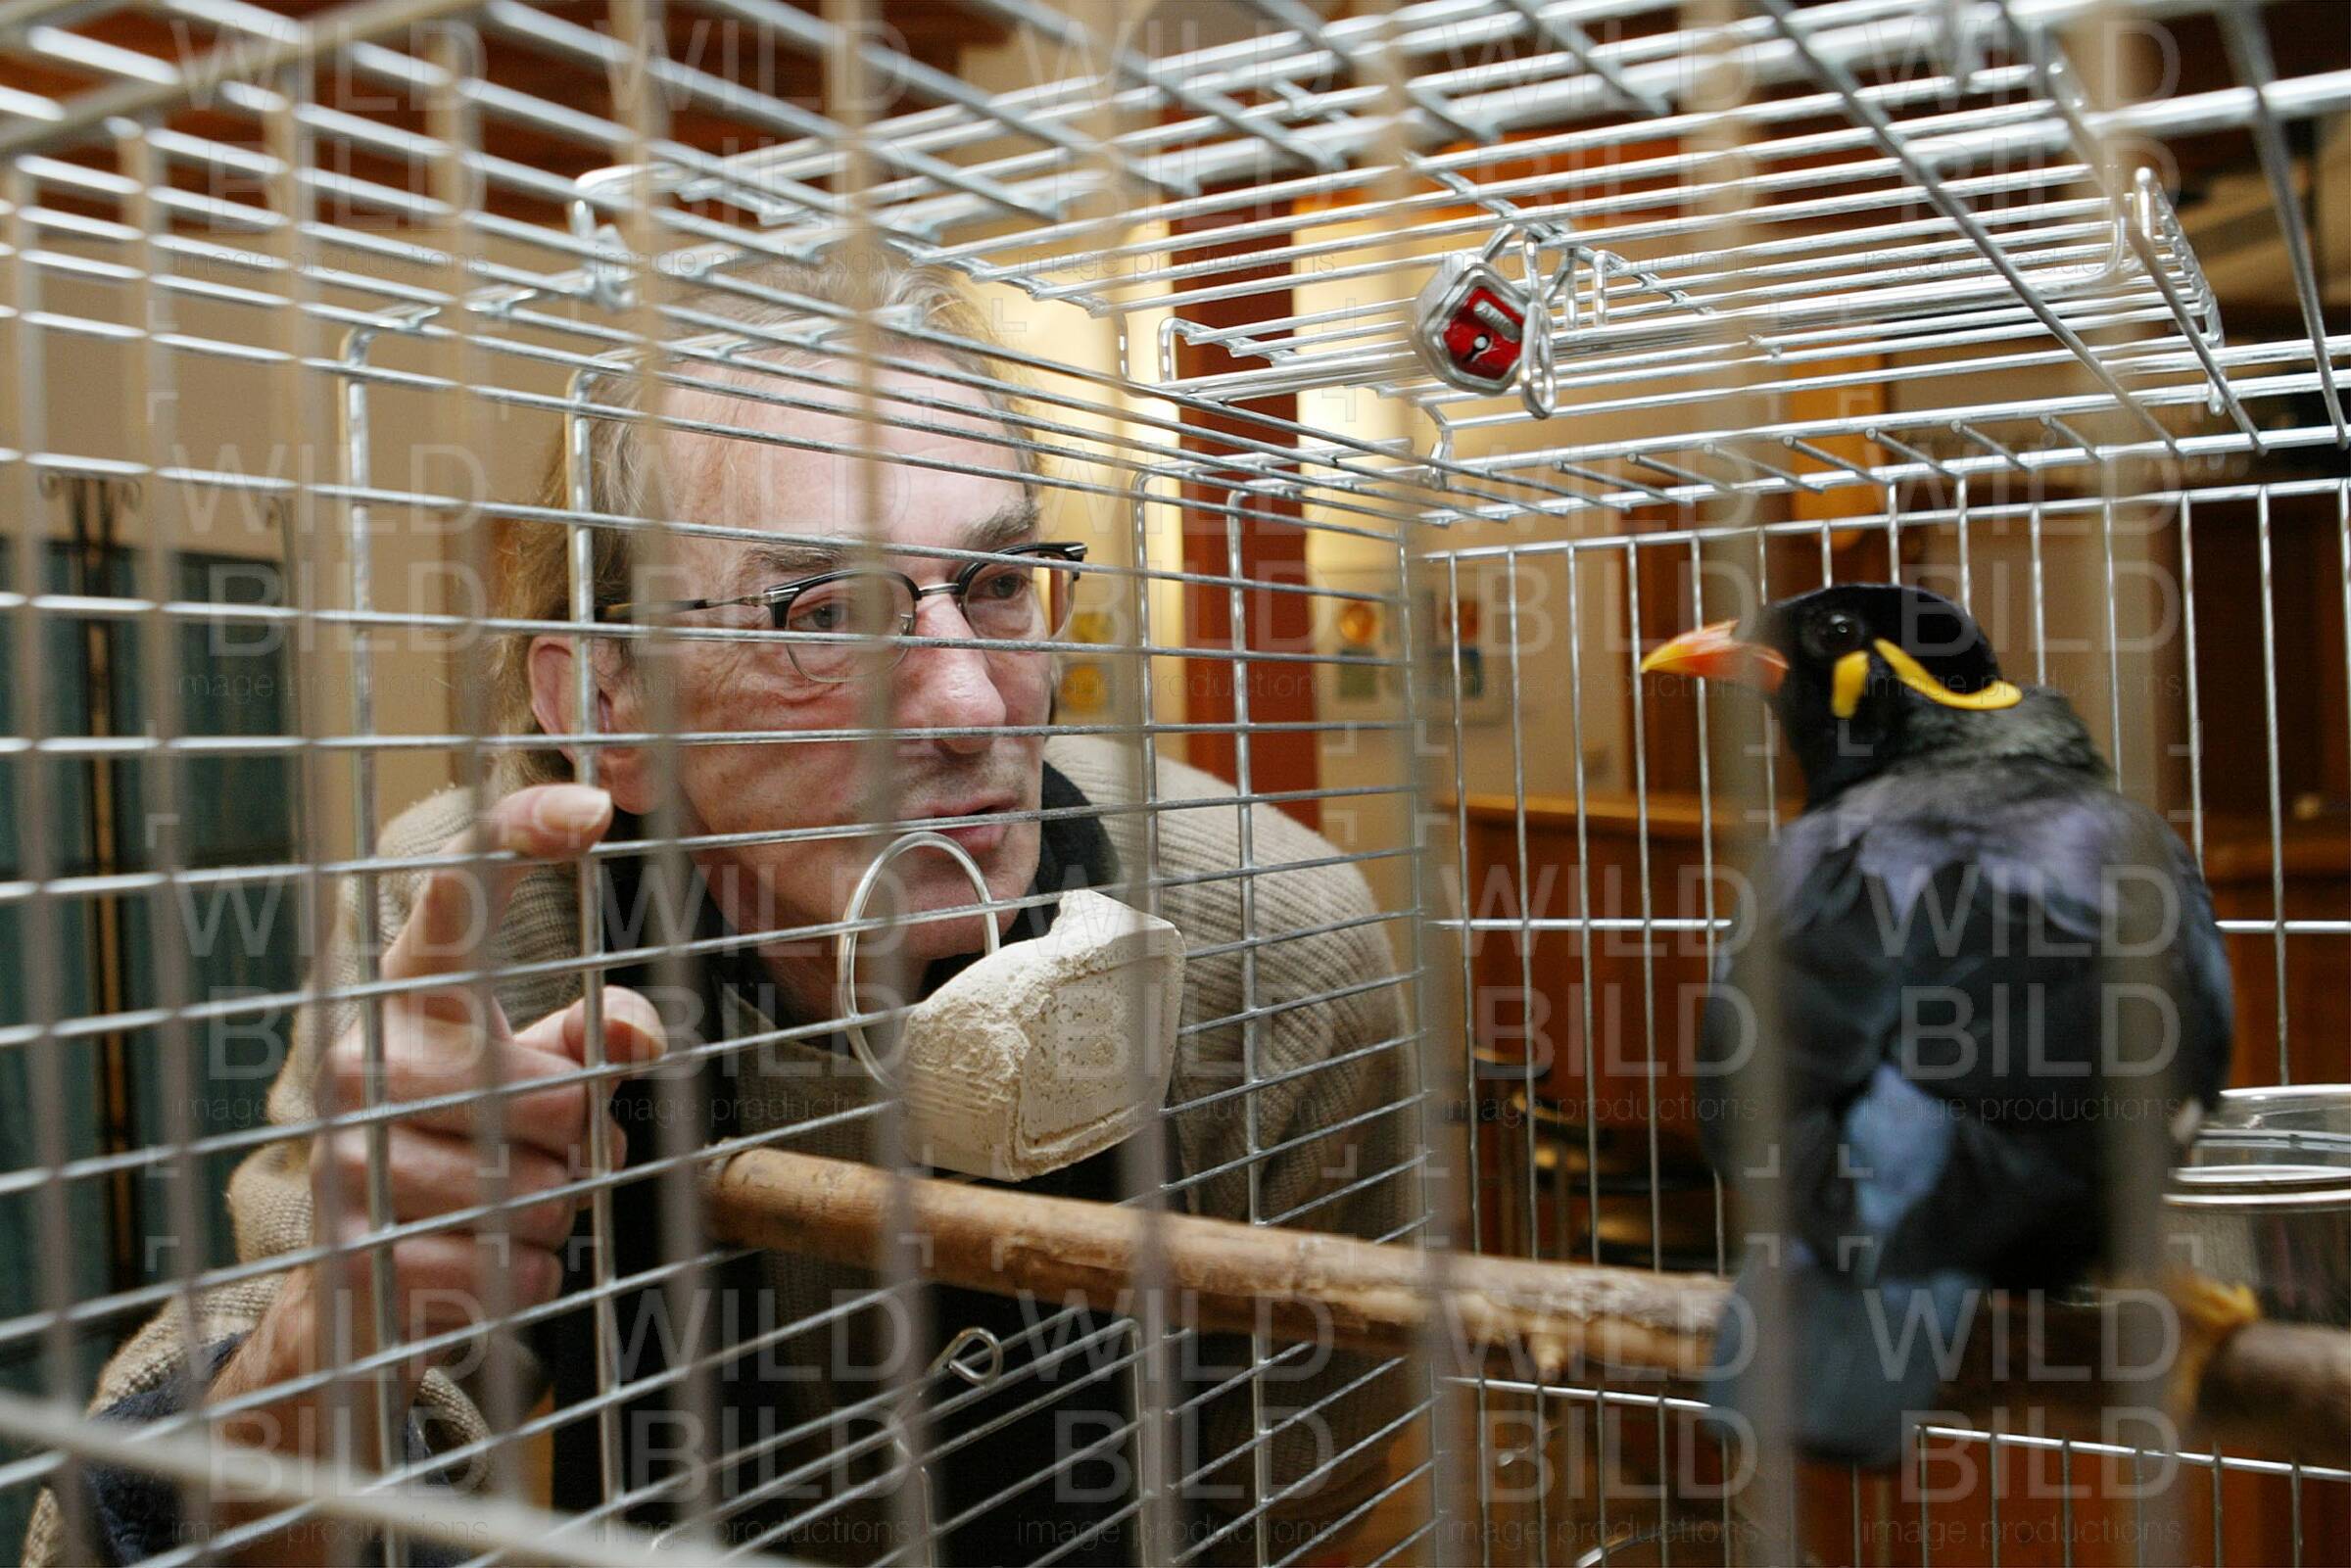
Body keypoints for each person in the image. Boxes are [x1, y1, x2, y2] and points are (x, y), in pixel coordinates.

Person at [24, 256, 1415, 1567]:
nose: (971, 704)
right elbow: (194, 1508)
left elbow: (1308, 1493)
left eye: (995, 585)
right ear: (605, 705)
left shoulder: (1268, 928)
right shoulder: (473, 916)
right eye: (824, 612)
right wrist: (332, 1341)